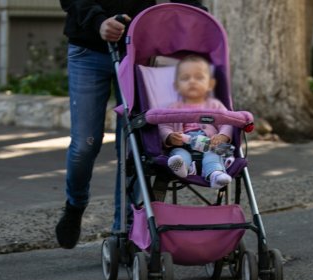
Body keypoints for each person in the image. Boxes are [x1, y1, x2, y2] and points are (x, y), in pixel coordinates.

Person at [56, 0, 207, 249]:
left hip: (138, 49)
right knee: (85, 144)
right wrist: (98, 22)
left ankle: (125, 230)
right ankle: (75, 205)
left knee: (133, 146)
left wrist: (197, 14)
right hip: (88, 49)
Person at [159, 54, 234, 189]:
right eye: (185, 78)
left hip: (209, 144)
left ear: (210, 84)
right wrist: (169, 137)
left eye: (199, 77)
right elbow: (164, 125)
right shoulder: (172, 108)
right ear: (176, 85)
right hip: (182, 144)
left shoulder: (214, 105)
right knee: (179, 155)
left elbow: (227, 122)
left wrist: (223, 136)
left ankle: (215, 174)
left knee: (213, 156)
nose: (192, 81)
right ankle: (183, 169)